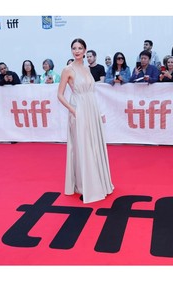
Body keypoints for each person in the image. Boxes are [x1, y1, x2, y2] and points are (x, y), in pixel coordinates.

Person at [57, 38, 114, 204]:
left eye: (80, 48)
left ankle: (98, 181)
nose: (77, 51)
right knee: (82, 147)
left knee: (93, 145)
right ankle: (83, 186)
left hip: (91, 109)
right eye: (74, 48)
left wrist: (99, 112)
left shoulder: (87, 68)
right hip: (78, 110)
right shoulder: (67, 70)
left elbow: (92, 93)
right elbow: (59, 95)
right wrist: (74, 111)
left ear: (85, 50)